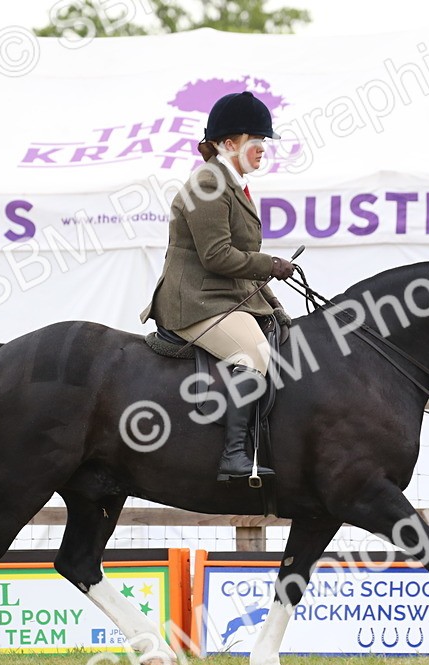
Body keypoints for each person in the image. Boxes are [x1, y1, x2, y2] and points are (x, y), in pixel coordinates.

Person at [140, 91, 296, 482]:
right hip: (194, 301)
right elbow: (218, 257)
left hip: (224, 298)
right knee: (255, 355)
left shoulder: (234, 183)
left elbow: (242, 265)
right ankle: (234, 454)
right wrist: (272, 264)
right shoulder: (208, 183)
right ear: (230, 144)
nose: (263, 150)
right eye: (256, 142)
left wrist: (274, 304)